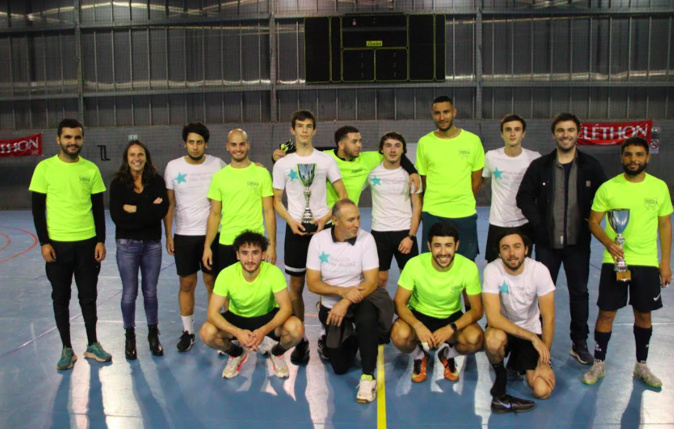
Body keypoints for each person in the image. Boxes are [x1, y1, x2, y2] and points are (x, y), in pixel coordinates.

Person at [516, 112, 606, 365]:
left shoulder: (591, 166)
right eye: (560, 131)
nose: (565, 135)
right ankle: (538, 344)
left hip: (578, 245)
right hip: (547, 246)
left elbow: (604, 198)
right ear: (554, 134)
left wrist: (591, 221)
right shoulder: (540, 166)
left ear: (578, 133)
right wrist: (539, 224)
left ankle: (579, 343)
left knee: (579, 293)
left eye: (570, 130)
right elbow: (523, 197)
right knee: (541, 295)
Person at [582, 137, 672, 388]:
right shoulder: (609, 188)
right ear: (622, 157)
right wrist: (608, 243)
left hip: (646, 262)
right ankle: (598, 363)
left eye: (639, 154)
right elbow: (593, 221)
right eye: (629, 154)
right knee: (606, 312)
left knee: (643, 314)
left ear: (647, 158)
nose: (634, 159)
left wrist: (665, 262)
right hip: (615, 261)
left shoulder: (659, 187)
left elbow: (665, 225)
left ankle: (641, 365)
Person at [29, 118, 112, 370]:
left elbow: (98, 209)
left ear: (82, 139)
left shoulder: (91, 170)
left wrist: (100, 240)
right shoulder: (44, 168)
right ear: (58, 139)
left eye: (76, 137)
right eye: (67, 137)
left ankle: (92, 344)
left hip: (87, 244)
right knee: (60, 297)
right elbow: (37, 210)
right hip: (58, 246)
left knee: (88, 297)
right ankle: (67, 348)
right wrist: (44, 242)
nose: (72, 142)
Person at [272, 109, 347, 364]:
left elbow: (342, 195)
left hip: (322, 230)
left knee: (328, 284)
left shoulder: (326, 161)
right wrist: (290, 221)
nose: (304, 131)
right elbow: (276, 200)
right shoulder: (282, 164)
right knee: (295, 287)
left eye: (308, 126)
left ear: (314, 130)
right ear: (292, 130)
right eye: (300, 126)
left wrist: (325, 219)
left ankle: (326, 337)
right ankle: (301, 340)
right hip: (295, 230)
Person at [306, 199, 392, 404]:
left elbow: (371, 282)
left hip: (361, 298)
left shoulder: (366, 239)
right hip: (333, 304)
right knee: (339, 366)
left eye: (358, 218)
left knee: (367, 318)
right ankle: (354, 337)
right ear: (335, 221)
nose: (357, 224)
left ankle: (367, 376)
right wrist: (341, 292)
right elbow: (312, 283)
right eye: (351, 220)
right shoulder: (318, 241)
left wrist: (344, 302)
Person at [199, 231, 304, 379]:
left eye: (255, 253)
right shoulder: (226, 274)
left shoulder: (273, 273)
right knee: (207, 332)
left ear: (263, 254)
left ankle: (277, 353)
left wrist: (263, 330)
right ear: (237, 255)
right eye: (244, 253)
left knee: (296, 328)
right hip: (237, 318)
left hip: (266, 317)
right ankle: (236, 353)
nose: (249, 259)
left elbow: (286, 308)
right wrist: (237, 332)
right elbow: (212, 313)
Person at [390, 221, 484, 383]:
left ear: (456, 245)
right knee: (399, 336)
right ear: (429, 246)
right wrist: (418, 326)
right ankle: (419, 356)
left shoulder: (468, 267)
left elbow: (477, 310)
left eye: (448, 245)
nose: (443, 252)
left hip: (451, 317)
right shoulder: (414, 264)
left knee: (475, 339)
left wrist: (451, 328)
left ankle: (448, 355)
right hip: (419, 315)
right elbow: (399, 302)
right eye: (437, 246)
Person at [164, 122, 226, 352]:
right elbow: (170, 204)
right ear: (185, 144)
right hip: (184, 236)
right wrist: (168, 235)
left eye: (199, 142)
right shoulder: (173, 167)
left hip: (212, 235)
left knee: (213, 284)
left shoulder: (217, 164)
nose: (195, 146)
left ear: (206, 144)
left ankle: (217, 330)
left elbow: (237, 174)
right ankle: (188, 332)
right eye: (191, 142)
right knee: (187, 284)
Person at [483, 230, 556, 414]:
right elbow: (493, 318)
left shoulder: (539, 271)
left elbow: (548, 318)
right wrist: (532, 338)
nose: (512, 253)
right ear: (499, 253)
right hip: (504, 329)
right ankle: (501, 378)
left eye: (517, 247)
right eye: (505, 248)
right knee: (492, 340)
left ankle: (516, 361)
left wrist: (544, 361)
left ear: (526, 250)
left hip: (531, 328)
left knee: (542, 391)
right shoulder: (492, 270)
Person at [110, 140, 169, 360]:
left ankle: (153, 335)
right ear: (127, 158)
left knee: (150, 292)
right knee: (129, 293)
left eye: (140, 154)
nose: (137, 158)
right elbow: (118, 217)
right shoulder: (118, 184)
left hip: (152, 244)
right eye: (132, 155)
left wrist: (133, 209)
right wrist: (148, 208)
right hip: (127, 244)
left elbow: (161, 211)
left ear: (146, 157)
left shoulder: (156, 181)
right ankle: (130, 336)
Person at [273, 125, 420, 207]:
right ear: (341, 145)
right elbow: (299, 156)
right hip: (323, 221)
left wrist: (412, 171)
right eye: (354, 142)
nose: (359, 145)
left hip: (348, 222)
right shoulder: (325, 158)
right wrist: (276, 158)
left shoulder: (367, 159)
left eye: (360, 141)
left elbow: (393, 153)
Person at [416, 95, 484, 259]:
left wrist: (460, 199)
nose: (442, 117)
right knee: (432, 264)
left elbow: (476, 182)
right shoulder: (424, 142)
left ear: (454, 112)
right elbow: (424, 181)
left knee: (465, 264)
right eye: (437, 113)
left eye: (446, 112)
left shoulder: (473, 141)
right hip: (433, 213)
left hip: (464, 213)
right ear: (433, 115)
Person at [202, 128, 276, 276]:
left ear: (248, 145)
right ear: (227, 146)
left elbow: (269, 211)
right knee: (227, 289)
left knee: (254, 288)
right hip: (227, 242)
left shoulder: (262, 174)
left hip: (254, 244)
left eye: (242, 144)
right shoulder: (219, 177)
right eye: (233, 144)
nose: (238, 149)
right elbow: (215, 214)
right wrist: (207, 246)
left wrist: (272, 245)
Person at [482, 114, 540, 262]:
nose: (512, 133)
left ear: (523, 133)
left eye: (517, 129)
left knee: (522, 267)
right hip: (498, 222)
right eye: (508, 130)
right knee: (494, 266)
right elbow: (483, 180)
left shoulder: (535, 158)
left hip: (524, 223)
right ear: (502, 134)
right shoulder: (491, 156)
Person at [367, 131, 422, 288]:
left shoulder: (412, 176)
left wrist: (411, 236)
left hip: (404, 232)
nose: (392, 150)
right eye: (388, 145)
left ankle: (405, 305)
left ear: (403, 150)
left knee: (410, 279)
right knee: (380, 279)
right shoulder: (371, 172)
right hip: (379, 233)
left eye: (397, 146)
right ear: (381, 149)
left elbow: (417, 207)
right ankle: (380, 305)